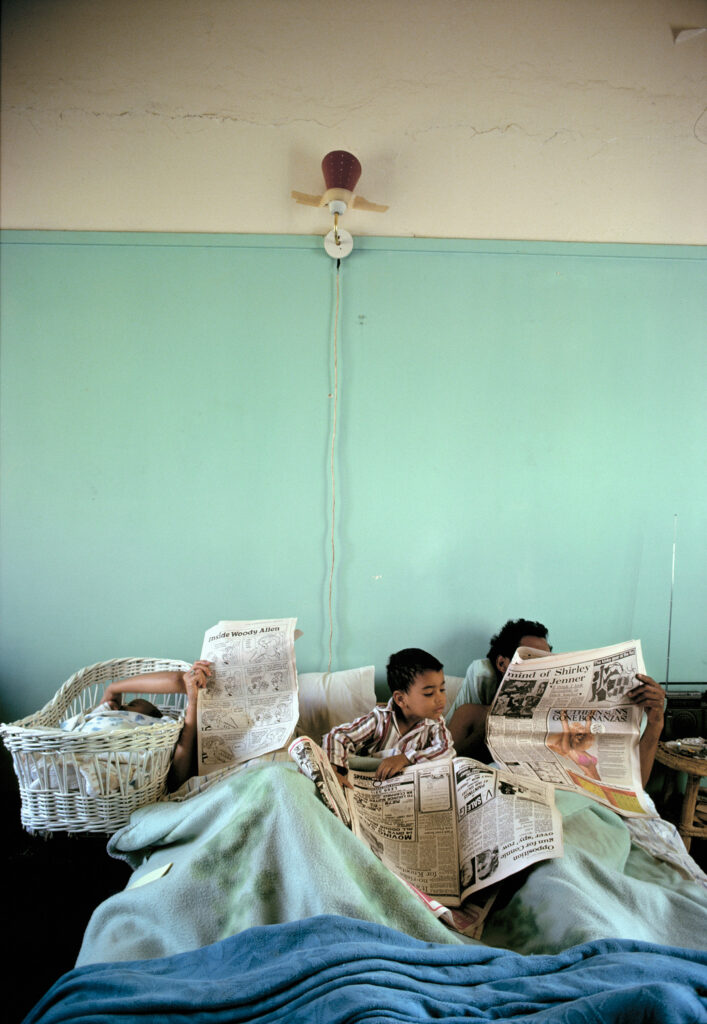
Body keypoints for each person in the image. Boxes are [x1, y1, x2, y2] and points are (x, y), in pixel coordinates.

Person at [323, 648, 454, 786]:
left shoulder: (435, 723)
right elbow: (336, 736)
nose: (440, 698)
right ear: (401, 699)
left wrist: (405, 759)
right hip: (366, 781)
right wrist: (334, 771)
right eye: (429, 693)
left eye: (442, 690)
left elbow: (447, 751)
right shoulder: (379, 720)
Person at [446, 619, 550, 760]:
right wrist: (490, 725)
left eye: (546, 660)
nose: (541, 668)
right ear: (502, 663)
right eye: (531, 659)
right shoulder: (470, 713)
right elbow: (446, 762)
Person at [101, 660, 212, 790]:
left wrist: (192, 702)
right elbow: (180, 682)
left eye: (130, 705)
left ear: (151, 719)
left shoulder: (162, 731)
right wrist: (112, 689)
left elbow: (176, 780)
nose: (120, 707)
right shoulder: (102, 716)